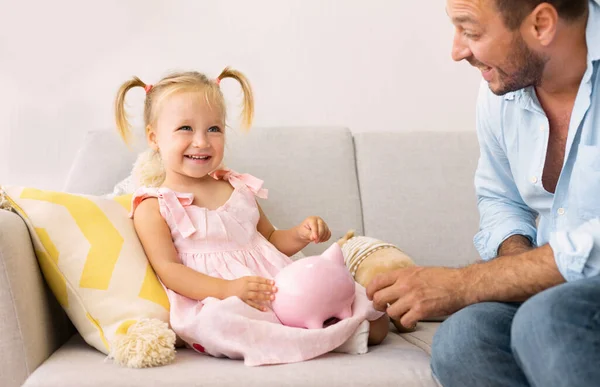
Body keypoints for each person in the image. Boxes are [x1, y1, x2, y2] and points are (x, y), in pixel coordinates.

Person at [367, 0, 600, 385]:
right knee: (464, 337)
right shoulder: (503, 87)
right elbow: (500, 197)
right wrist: (518, 270)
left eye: (471, 31)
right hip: (551, 292)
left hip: (566, 298)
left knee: (545, 320)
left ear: (541, 24)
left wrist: (469, 283)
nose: (456, 51)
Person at [114, 67, 388, 367]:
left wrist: (300, 233)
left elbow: (270, 240)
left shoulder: (237, 188)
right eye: (185, 129)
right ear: (154, 137)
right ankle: (318, 334)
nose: (202, 142)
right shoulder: (154, 205)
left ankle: (321, 326)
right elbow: (169, 270)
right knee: (220, 322)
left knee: (373, 316)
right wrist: (228, 290)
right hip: (220, 298)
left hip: (279, 286)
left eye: (214, 129)